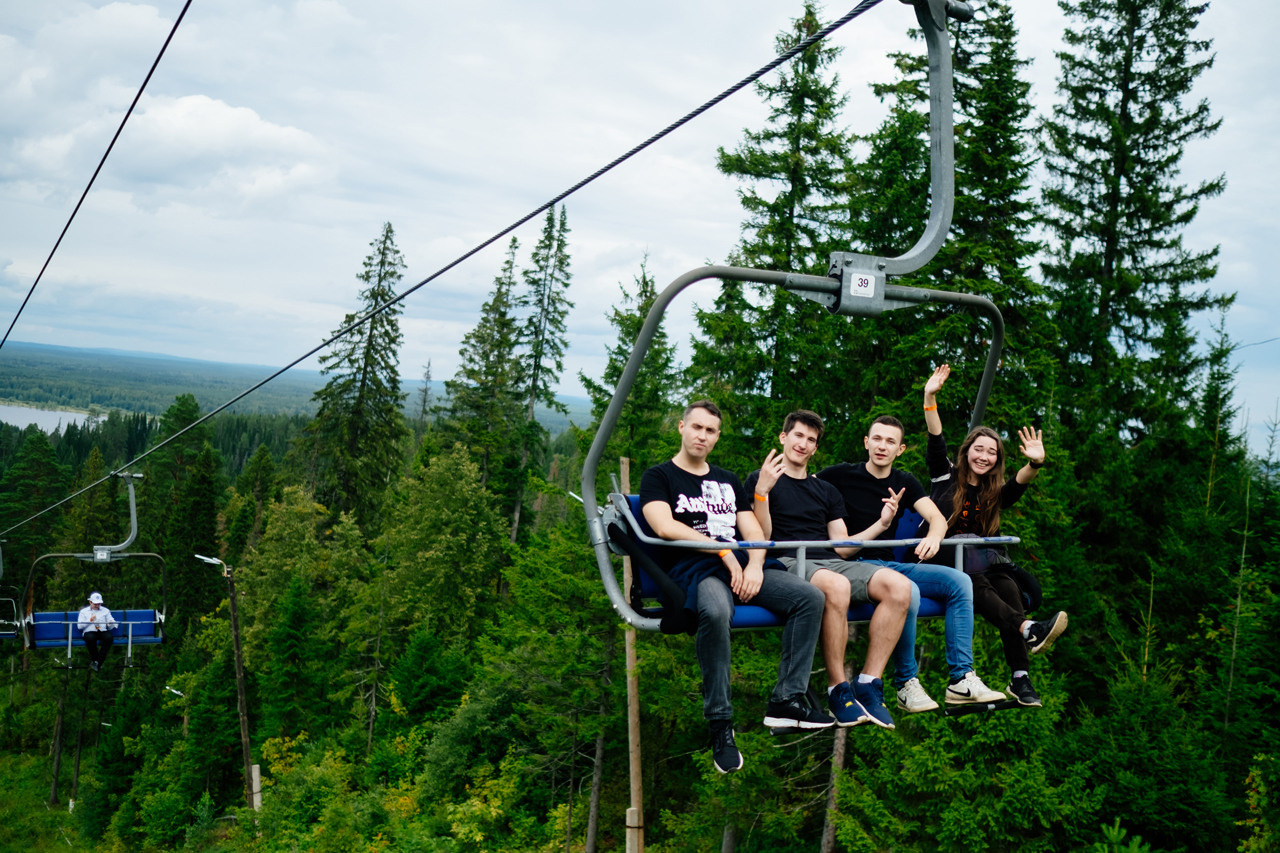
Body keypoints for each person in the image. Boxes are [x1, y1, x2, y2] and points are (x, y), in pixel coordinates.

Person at [640, 400, 832, 774]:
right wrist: (727, 555)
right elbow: (664, 526)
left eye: (710, 431)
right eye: (697, 427)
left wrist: (756, 564)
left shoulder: (726, 479)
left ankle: (787, 698)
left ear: (717, 437)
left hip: (743, 565)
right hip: (696, 567)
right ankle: (720, 724)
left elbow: (754, 531)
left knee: (809, 597)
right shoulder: (659, 477)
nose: (702, 436)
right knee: (715, 610)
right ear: (681, 428)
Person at [816, 416, 1005, 710]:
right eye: (877, 439)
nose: (882, 446)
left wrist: (933, 537)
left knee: (959, 582)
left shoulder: (904, 482)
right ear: (866, 443)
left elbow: (937, 519)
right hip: (854, 565)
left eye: (890, 441)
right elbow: (801, 485)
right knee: (909, 590)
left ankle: (961, 679)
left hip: (889, 564)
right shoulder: (840, 475)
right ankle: (905, 682)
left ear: (900, 449)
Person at [745, 410, 916, 729]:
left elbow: (843, 546)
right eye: (798, 435)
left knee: (900, 587)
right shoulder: (761, 479)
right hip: (788, 560)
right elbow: (763, 537)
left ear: (815, 449)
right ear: (784, 438)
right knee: (836, 586)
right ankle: (839, 689)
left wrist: (881, 524)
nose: (803, 444)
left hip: (830, 561)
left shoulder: (825, 490)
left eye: (811, 440)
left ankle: (868, 683)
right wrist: (762, 493)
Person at [922, 364, 1068, 706]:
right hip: (943, 557)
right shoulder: (945, 477)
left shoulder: (992, 493)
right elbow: (935, 438)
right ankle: (1027, 629)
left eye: (992, 452)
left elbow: (1017, 486)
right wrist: (930, 398)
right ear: (967, 451)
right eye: (979, 449)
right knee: (978, 577)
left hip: (982, 565)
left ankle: (1020, 676)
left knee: (1008, 588)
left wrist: (1034, 464)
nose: (984, 456)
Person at [77, 591, 117, 672]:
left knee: (109, 638)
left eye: (99, 604)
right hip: (90, 631)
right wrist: (90, 620)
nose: (97, 606)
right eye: (95, 604)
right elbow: (79, 626)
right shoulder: (84, 612)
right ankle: (96, 661)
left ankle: (98, 662)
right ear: (90, 602)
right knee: (90, 638)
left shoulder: (105, 611)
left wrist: (111, 623)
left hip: (101, 630)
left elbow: (112, 621)